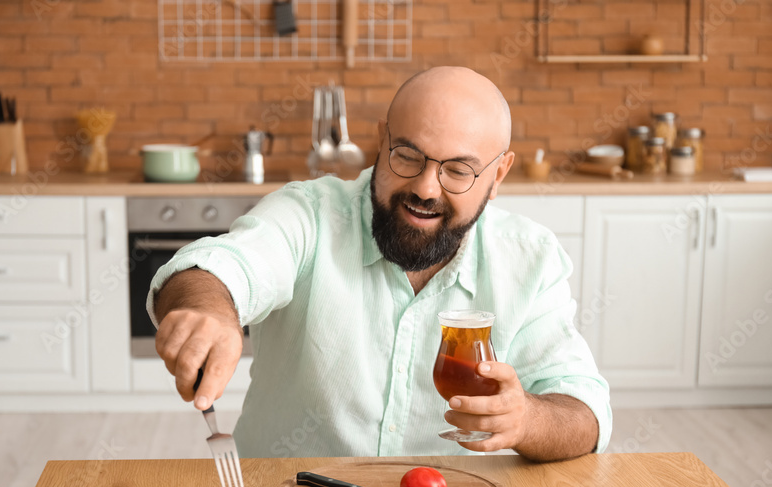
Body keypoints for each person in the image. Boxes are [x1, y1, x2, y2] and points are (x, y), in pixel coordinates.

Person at [149, 66, 611, 462]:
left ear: (498, 175)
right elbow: (217, 267)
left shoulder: (529, 258)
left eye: (458, 170)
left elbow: (586, 411)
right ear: (381, 139)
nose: (427, 189)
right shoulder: (309, 214)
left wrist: (527, 419)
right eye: (407, 156)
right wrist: (210, 309)